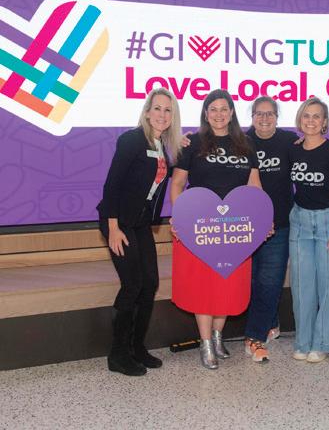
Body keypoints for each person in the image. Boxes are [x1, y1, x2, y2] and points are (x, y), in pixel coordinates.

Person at [170, 89, 262, 370]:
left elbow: (254, 186)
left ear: (231, 113)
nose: (219, 114)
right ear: (206, 113)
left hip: (236, 231)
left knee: (227, 286)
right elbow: (177, 184)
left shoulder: (246, 144)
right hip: (200, 228)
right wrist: (179, 218)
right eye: (213, 109)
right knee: (204, 288)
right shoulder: (192, 143)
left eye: (224, 109)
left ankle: (218, 337)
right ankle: (206, 343)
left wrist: (262, 219)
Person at [97, 88, 181, 376]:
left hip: (141, 223)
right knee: (132, 284)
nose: (162, 114)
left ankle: (136, 348)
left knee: (149, 283)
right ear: (146, 112)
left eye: (168, 110)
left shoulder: (164, 147)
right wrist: (113, 228)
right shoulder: (131, 140)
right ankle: (118, 354)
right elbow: (112, 185)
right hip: (118, 221)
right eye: (157, 108)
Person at [289, 97, 329, 363]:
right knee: (301, 286)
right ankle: (303, 342)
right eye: (306, 115)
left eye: (317, 116)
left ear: (325, 122)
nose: (311, 121)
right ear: (300, 119)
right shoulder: (293, 150)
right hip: (300, 222)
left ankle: (324, 343)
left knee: (328, 286)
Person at [242, 97, 299, 363]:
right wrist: (189, 139)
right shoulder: (240, 141)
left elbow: (316, 152)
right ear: (252, 116)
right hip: (245, 226)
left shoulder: (289, 141)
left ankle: (254, 337)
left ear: (277, 116)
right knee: (253, 281)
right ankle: (270, 321)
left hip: (280, 225)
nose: (264, 119)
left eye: (270, 114)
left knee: (270, 280)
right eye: (259, 114)